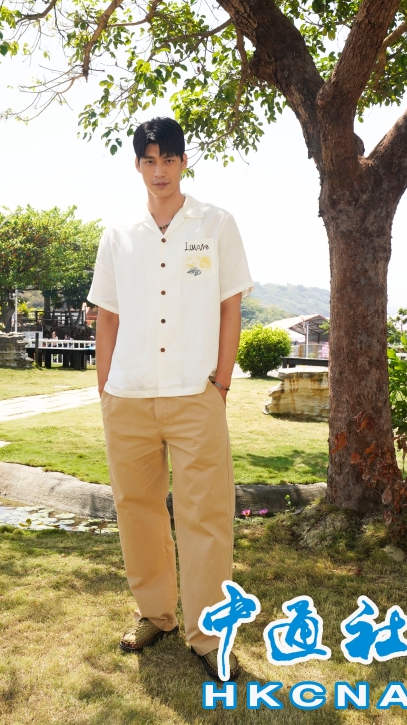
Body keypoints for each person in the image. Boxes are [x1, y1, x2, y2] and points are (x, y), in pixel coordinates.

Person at [87, 116, 253, 680]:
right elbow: (107, 317)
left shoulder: (217, 224)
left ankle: (208, 636)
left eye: (169, 159)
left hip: (195, 393)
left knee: (206, 515)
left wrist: (221, 383)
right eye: (149, 160)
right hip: (128, 395)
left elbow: (230, 307)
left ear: (184, 162)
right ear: (137, 165)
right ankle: (155, 614)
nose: (160, 170)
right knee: (136, 508)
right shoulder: (118, 234)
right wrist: (105, 389)